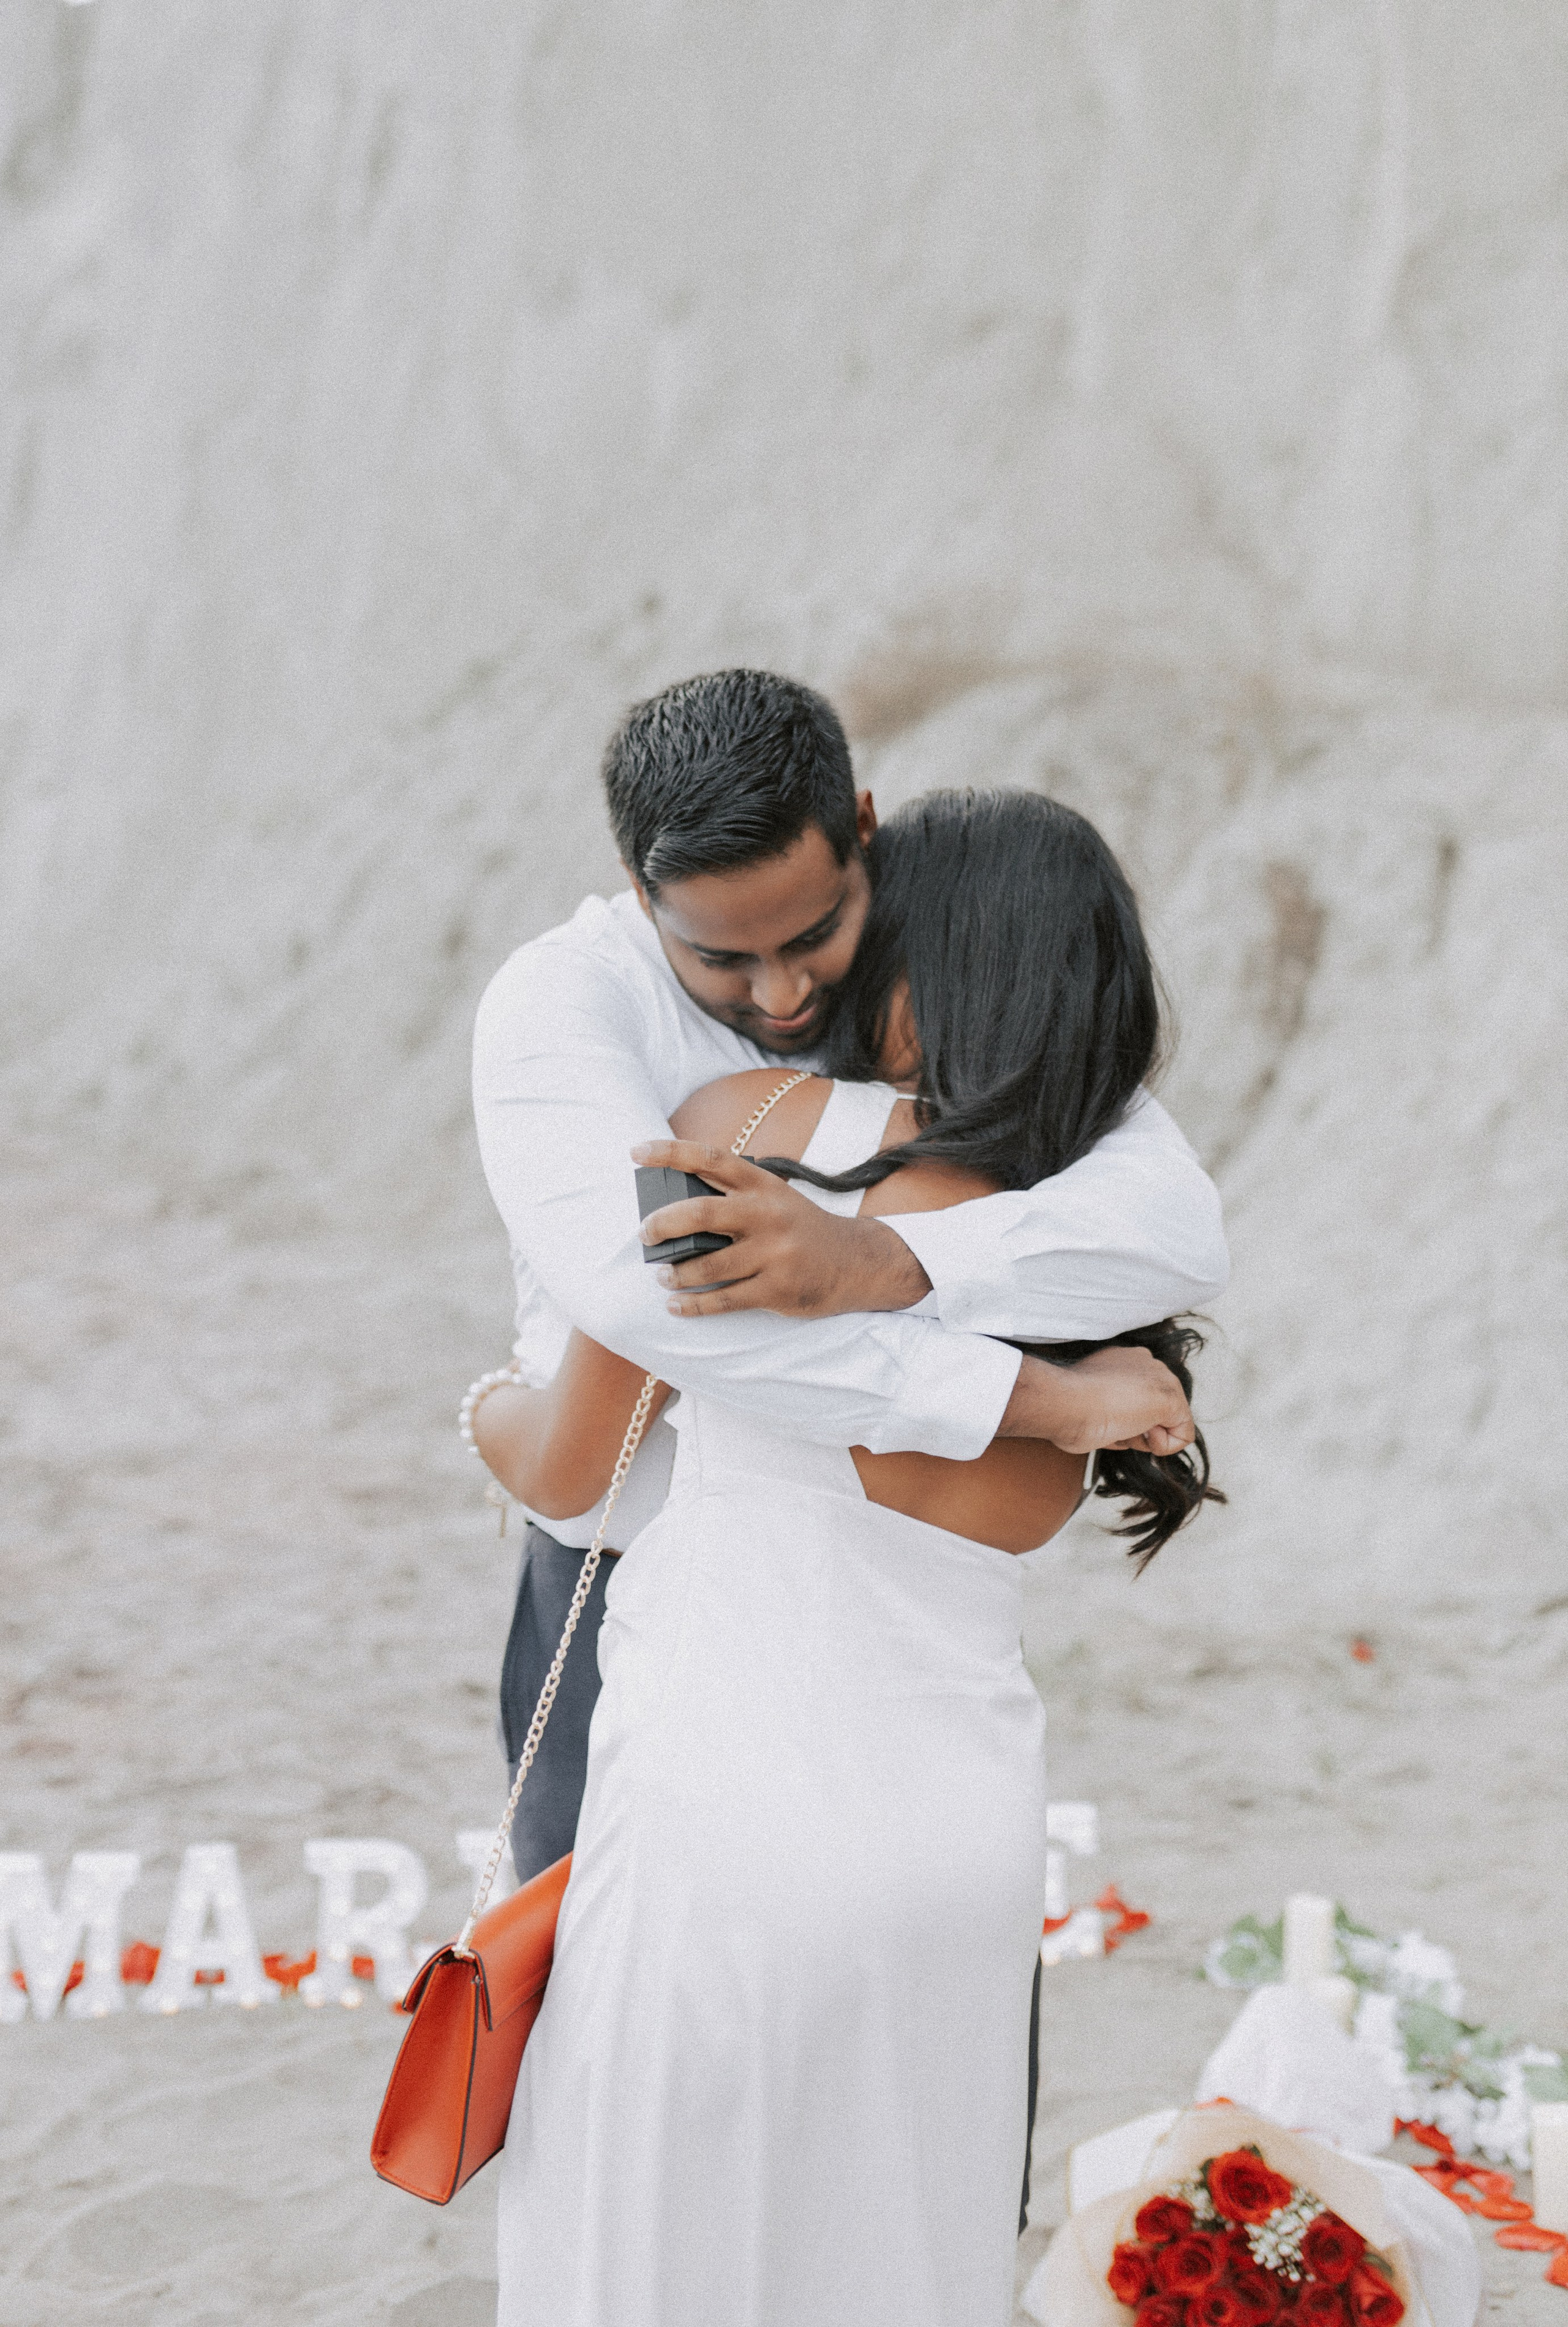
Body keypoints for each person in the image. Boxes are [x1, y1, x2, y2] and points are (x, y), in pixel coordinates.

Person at [475, 786, 1221, 2327]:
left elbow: (563, 1465)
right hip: (949, 1829)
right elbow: (1005, 1510)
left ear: (917, 959)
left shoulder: (729, 1138)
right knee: (894, 2237)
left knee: (648, 2234)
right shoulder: (1068, 1237)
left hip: (715, 1819)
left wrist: (482, 1404)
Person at [470, 669, 1226, 1885]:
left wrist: (876, 1261)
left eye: (814, 938)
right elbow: (654, 1312)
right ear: (637, 892)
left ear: (863, 832)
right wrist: (1028, 1400)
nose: (778, 996)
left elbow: (1174, 1227)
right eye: (720, 957)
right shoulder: (560, 1008)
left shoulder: (943, 961)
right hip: (626, 1584)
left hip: (875, 1594)